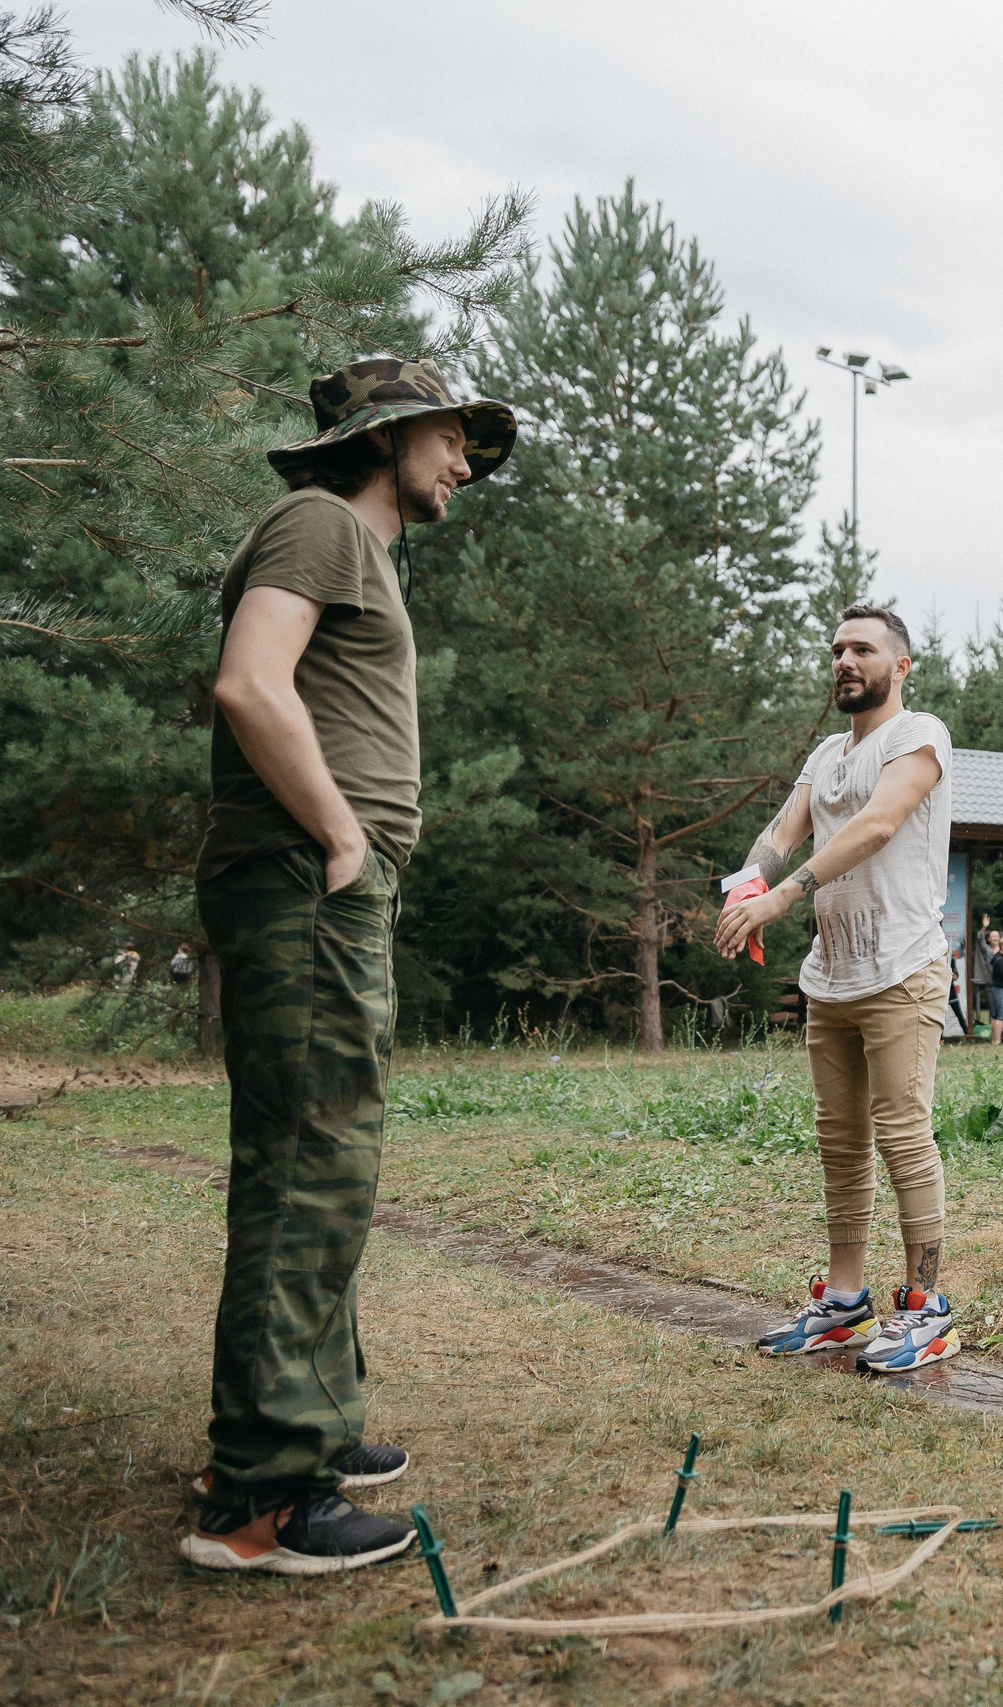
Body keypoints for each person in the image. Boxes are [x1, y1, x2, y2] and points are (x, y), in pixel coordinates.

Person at [186, 358, 516, 1574]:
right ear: (385, 436)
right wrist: (338, 836)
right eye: (450, 437)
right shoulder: (321, 522)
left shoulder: (352, 544)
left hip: (319, 886)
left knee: (312, 1158)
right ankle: (267, 1499)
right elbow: (249, 683)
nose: (465, 463)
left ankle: (299, 1429)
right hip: (304, 878)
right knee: (310, 1163)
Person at [716, 602, 960, 1374]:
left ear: (901, 665)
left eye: (862, 649)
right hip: (834, 975)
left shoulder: (918, 735)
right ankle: (845, 1302)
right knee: (840, 1140)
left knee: (901, 1132)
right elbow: (785, 831)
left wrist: (781, 898)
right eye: (837, 651)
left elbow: (878, 826)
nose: (845, 661)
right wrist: (745, 886)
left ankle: (927, 1308)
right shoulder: (826, 753)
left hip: (903, 966)